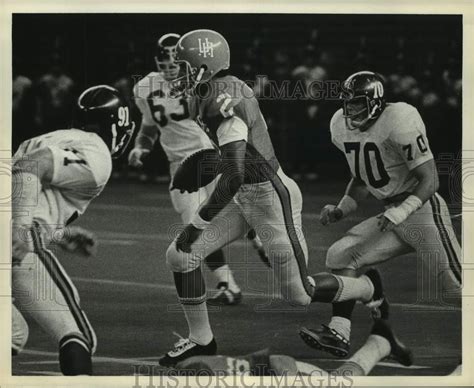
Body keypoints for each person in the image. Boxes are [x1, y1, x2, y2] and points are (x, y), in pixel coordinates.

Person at [159, 29, 386, 367]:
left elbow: (235, 172)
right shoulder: (213, 90)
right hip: (246, 196)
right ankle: (201, 340)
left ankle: (367, 286)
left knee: (300, 295)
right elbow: (235, 160)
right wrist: (207, 166)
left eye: (185, 66)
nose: (179, 73)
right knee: (180, 256)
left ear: (205, 66)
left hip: (270, 198)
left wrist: (198, 222)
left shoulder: (223, 95)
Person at [299, 71, 462, 358]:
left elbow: (431, 179)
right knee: (340, 254)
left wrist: (401, 212)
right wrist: (341, 208)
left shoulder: (399, 119)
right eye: (348, 104)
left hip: (421, 211)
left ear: (375, 101)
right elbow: (362, 176)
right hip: (392, 214)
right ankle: (339, 332)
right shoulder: (340, 125)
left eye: (358, 103)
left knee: (458, 288)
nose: (351, 111)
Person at [130, 33, 268, 305]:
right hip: (180, 165)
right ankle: (227, 284)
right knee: (192, 224)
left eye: (175, 62)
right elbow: (149, 124)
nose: (169, 68)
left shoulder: (202, 84)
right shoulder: (145, 87)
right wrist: (141, 147)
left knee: (230, 207)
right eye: (164, 62)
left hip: (210, 156)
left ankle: (257, 235)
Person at [12, 85, 135, 375]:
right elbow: (31, 166)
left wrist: (60, 235)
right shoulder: (96, 150)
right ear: (118, 125)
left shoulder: (45, 138)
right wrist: (19, 230)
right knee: (78, 336)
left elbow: (24, 188)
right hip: (14, 242)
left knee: (13, 333)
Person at [176, 318, 412, 376]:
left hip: (287, 371)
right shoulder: (192, 369)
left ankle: (379, 344)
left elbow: (276, 361)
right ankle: (380, 342)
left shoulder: (201, 370)